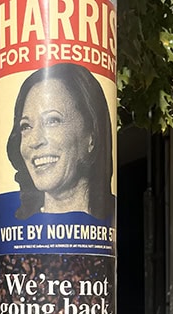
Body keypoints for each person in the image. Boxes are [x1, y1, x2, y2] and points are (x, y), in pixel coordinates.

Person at [7, 63, 114, 220]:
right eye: (26, 126)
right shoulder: (13, 225)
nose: (35, 141)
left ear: (91, 135)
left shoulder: (114, 220)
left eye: (52, 120)